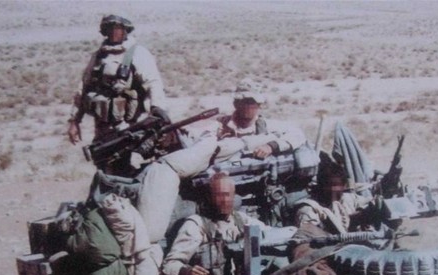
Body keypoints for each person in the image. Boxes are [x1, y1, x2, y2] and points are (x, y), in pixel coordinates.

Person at [137, 79, 308, 243]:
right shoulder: (218, 126)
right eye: (245, 101)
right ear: (236, 103)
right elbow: (195, 140)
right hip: (218, 193)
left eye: (254, 102)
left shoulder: (270, 126)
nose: (250, 106)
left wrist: (272, 146)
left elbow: (297, 135)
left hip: (257, 190)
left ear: (260, 105)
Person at [67, 13, 169, 173]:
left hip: (129, 125)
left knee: (125, 165)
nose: (114, 32)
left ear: (126, 30)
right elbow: (84, 89)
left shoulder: (137, 53)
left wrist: (157, 109)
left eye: (118, 28)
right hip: (103, 127)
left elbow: (153, 83)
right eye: (109, 28)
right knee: (103, 163)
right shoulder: (99, 56)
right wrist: (74, 121)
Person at [294, 152, 374, 234]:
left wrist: (361, 215)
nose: (332, 190)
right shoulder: (309, 209)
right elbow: (309, 234)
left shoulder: (349, 199)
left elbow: (371, 204)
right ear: (320, 186)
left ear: (344, 186)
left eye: (336, 185)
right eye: (328, 185)